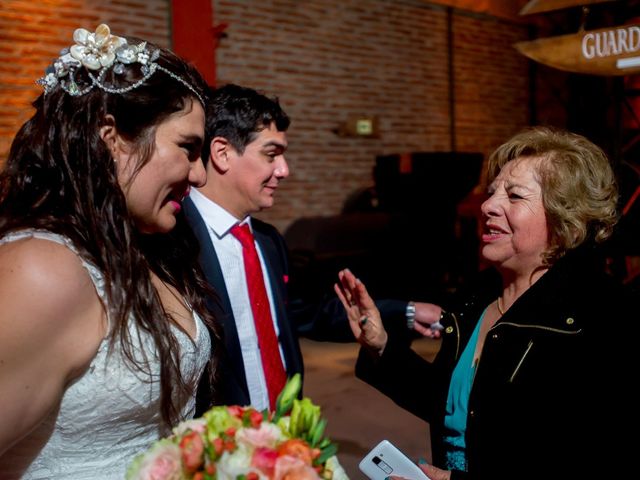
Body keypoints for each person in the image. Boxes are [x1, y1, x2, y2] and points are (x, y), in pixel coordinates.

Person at [335, 126, 636, 479]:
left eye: (514, 196)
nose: (487, 205)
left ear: (565, 217)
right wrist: (381, 347)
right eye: (492, 192)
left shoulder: (605, 316)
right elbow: (454, 404)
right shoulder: (476, 299)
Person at [0, 24, 220, 479]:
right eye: (187, 147)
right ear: (111, 137)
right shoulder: (42, 270)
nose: (200, 175)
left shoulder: (151, 252)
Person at [184, 83, 442, 414]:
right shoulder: (175, 240)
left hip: (284, 435)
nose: (284, 170)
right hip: (214, 446)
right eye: (271, 154)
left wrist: (404, 311)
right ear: (222, 153)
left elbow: (303, 316)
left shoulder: (268, 240)